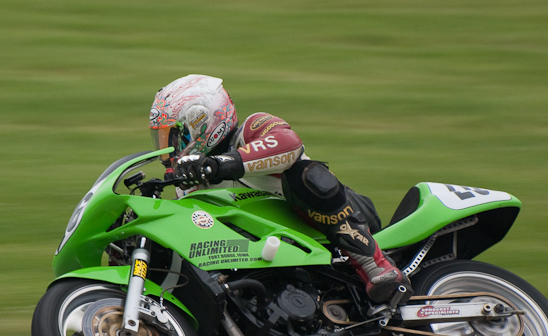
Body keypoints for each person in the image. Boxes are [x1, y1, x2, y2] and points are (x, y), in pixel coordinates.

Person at [148, 74, 410, 304]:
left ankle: (375, 264)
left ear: (203, 121)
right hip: (277, 253)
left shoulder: (252, 129)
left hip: (345, 213)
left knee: (305, 175)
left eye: (175, 136)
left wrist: (218, 165)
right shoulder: (191, 186)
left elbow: (289, 144)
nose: (168, 148)